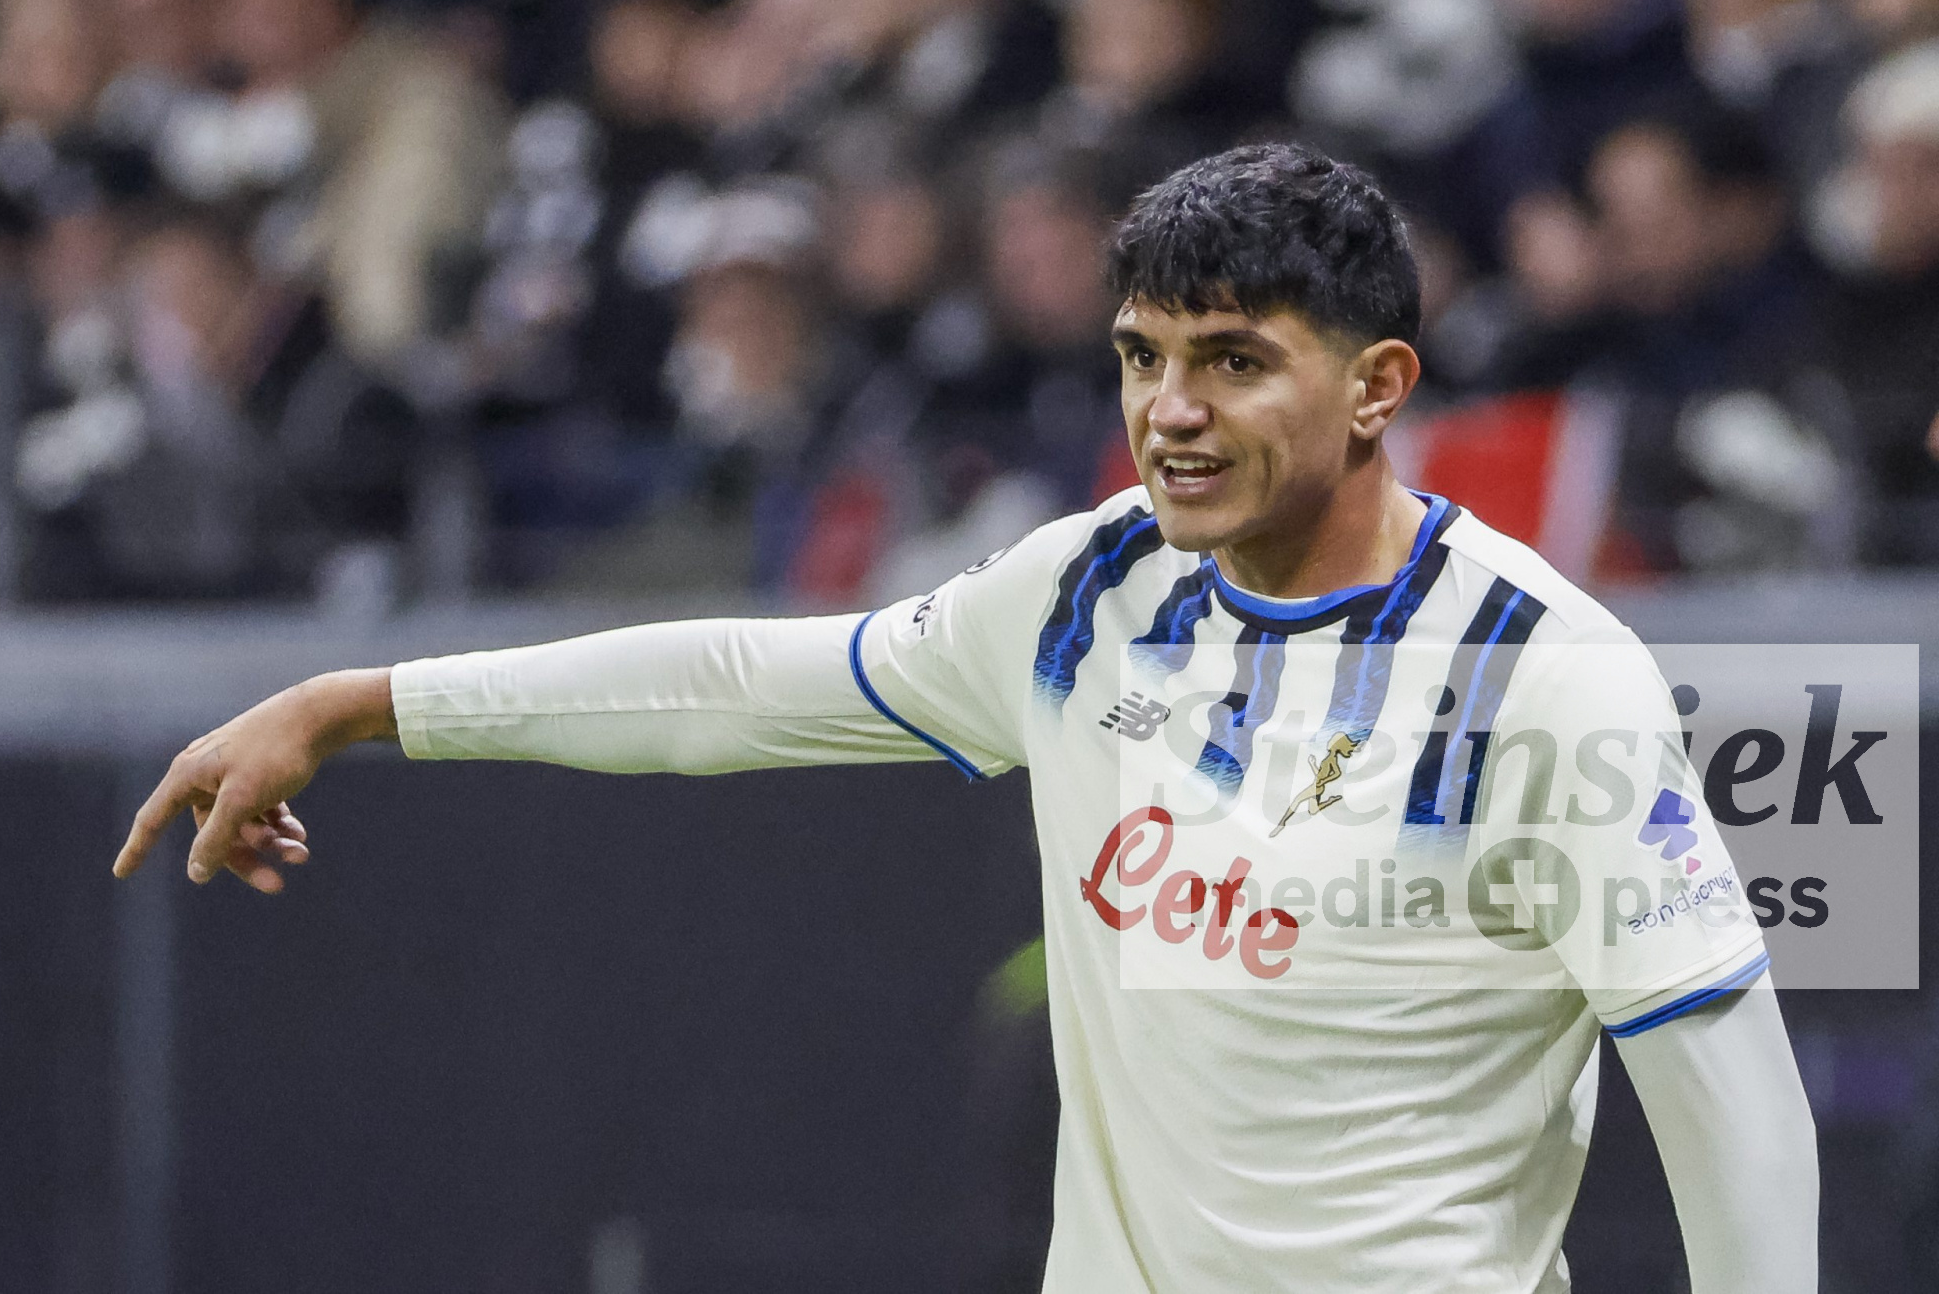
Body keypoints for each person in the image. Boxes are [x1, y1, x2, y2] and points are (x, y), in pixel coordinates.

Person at [110, 144, 1818, 1293]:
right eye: (1142, 356)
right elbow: (741, 688)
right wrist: (367, 700)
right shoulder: (1090, 590)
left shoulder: (1547, 676)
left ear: (1378, 387)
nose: (1170, 411)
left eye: (1233, 360)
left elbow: (1733, 1102)